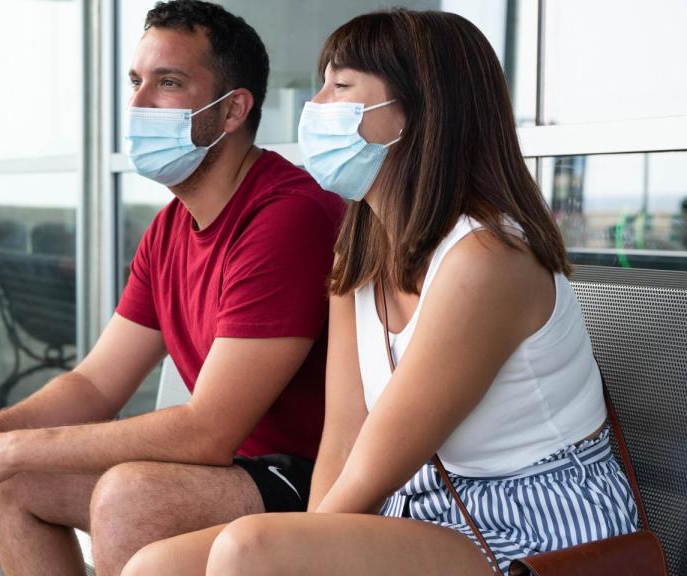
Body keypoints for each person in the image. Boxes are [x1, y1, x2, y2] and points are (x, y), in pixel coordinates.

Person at [122, 8, 640, 576]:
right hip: (422, 512)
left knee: (252, 550)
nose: (314, 106)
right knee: (157, 566)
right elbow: (343, 436)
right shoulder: (360, 251)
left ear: (417, 112)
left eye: (340, 86)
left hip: (538, 531)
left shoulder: (487, 261)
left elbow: (375, 467)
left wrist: (296, 546)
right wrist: (302, 536)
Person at [0, 2, 344, 575]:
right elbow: (95, 383)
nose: (137, 105)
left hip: (311, 477)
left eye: (169, 83)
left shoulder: (286, 217)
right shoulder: (170, 227)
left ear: (232, 109)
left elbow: (208, 431)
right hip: (232, 471)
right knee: (15, 482)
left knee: (130, 497)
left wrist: (8, 448)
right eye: (135, 82)